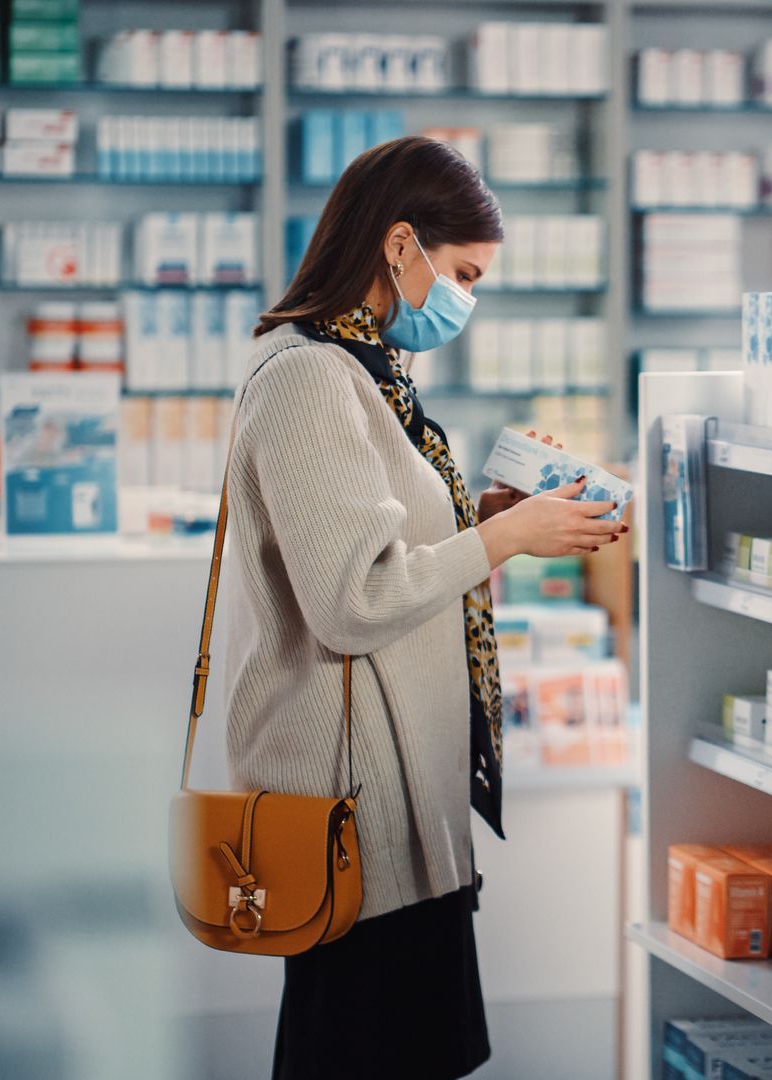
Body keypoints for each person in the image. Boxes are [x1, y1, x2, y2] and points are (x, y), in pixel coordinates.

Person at [227, 135, 623, 1079]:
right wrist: (502, 542)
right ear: (399, 246)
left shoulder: (371, 370)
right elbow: (352, 598)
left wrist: (489, 514)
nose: (466, 303)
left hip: (402, 797)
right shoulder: (309, 378)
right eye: (462, 274)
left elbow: (383, 542)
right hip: (354, 812)